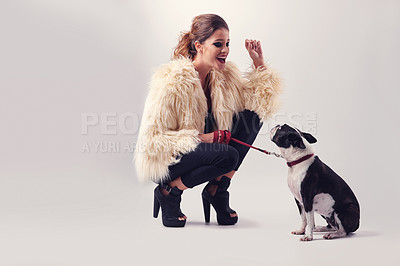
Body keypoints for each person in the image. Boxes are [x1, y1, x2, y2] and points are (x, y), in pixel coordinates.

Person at [134, 14, 282, 227]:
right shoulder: (172, 82)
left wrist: (258, 64)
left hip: (206, 154)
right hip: (169, 160)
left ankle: (217, 189)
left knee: (254, 116)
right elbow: (152, 140)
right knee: (228, 156)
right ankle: (169, 191)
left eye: (228, 44)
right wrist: (202, 138)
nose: (226, 50)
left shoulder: (223, 77)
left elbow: (258, 101)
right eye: (218, 44)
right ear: (199, 46)